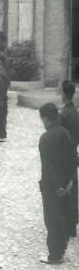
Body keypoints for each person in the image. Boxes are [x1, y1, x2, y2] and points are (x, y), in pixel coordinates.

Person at [38, 103, 75, 264]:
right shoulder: (65, 133)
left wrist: (56, 186)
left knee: (51, 219)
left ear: (46, 118)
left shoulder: (45, 138)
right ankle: (61, 250)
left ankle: (54, 255)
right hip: (66, 184)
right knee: (63, 217)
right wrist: (70, 182)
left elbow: (47, 166)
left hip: (52, 186)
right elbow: (73, 158)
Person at [59, 81, 79, 238]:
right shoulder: (75, 112)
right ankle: (72, 224)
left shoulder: (63, 115)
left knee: (65, 189)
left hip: (65, 155)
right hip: (73, 154)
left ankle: (67, 224)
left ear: (64, 95)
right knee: (74, 189)